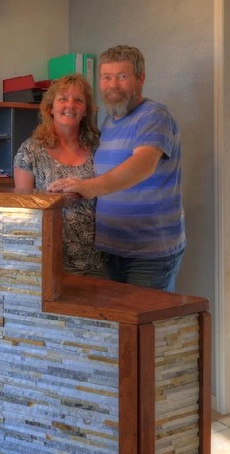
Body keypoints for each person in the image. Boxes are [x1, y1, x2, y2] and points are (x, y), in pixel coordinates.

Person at [49, 45, 185, 292]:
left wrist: (89, 187)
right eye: (106, 77)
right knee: (118, 329)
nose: (113, 85)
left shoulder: (154, 116)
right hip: (112, 251)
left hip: (149, 254)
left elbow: (142, 166)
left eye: (122, 77)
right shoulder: (110, 122)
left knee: (142, 328)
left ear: (140, 79)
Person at [13, 74, 107, 277]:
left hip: (100, 260)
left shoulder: (100, 146)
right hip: (50, 260)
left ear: (86, 111)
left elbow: (113, 190)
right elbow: (23, 210)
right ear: (50, 108)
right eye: (63, 99)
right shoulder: (30, 151)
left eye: (78, 100)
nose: (70, 105)